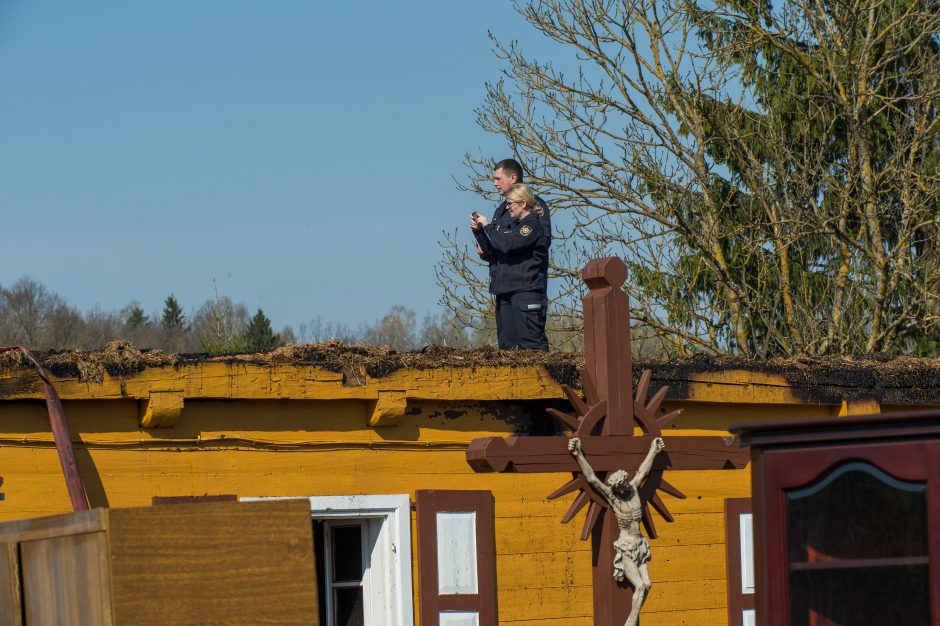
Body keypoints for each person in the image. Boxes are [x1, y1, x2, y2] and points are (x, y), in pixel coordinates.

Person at [568, 436, 666, 626]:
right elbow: (592, 479)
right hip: (626, 546)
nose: (623, 488)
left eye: (623, 485)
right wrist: (578, 454)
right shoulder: (613, 498)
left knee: (647, 584)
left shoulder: (633, 489)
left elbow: (643, 471)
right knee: (639, 585)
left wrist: (654, 450)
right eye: (619, 487)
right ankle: (630, 622)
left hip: (640, 545)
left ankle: (631, 619)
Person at [474, 159, 551, 350]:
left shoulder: (534, 211)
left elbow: (513, 244)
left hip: (526, 289)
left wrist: (489, 228)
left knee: (531, 347)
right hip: (503, 289)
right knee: (507, 349)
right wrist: (479, 233)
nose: (494, 183)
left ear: (513, 178)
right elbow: (497, 247)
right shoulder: (501, 211)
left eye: (498, 178)